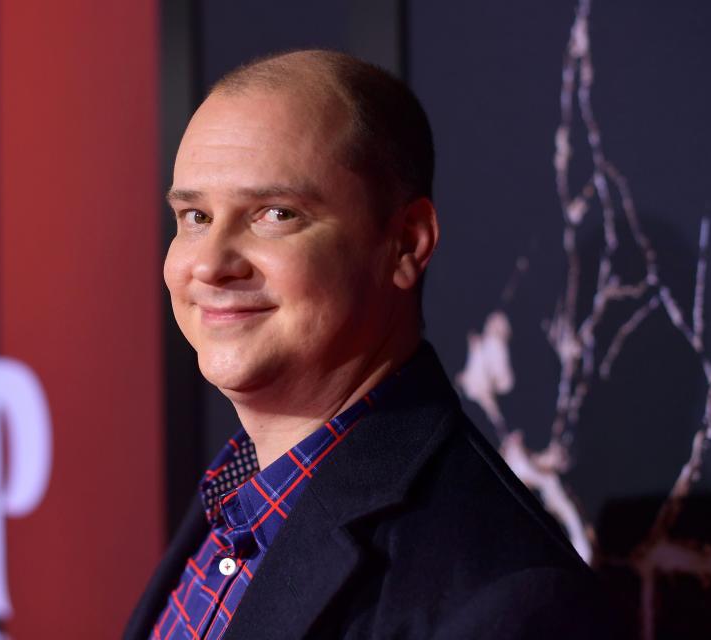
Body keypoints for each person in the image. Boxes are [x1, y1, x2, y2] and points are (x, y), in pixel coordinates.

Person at [126, 49, 621, 639]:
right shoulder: (239, 490)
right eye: (195, 216)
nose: (209, 264)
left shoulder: (504, 600)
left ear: (407, 243)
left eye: (275, 213)